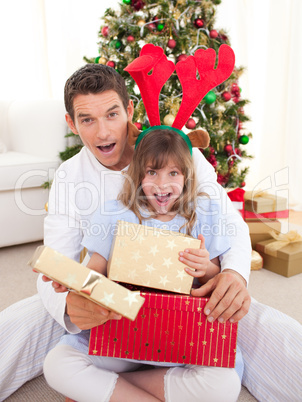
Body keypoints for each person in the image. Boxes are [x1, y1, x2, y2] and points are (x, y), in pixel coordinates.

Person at [0, 64, 301, 401]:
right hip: (113, 312)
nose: (103, 133)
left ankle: (109, 390)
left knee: (270, 342)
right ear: (71, 123)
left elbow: (228, 224)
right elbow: (66, 262)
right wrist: (69, 299)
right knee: (30, 339)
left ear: (129, 110)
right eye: (87, 120)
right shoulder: (75, 183)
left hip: (187, 309)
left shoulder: (182, 152)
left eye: (112, 114)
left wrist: (232, 274)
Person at [43, 127, 243, 402]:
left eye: (173, 173)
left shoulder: (203, 213)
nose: (162, 184)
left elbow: (216, 277)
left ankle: (114, 387)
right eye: (152, 172)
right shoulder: (115, 212)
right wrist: (72, 279)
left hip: (181, 339)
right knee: (57, 364)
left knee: (225, 386)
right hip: (121, 335)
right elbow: (93, 271)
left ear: (186, 177)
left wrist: (205, 268)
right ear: (138, 175)